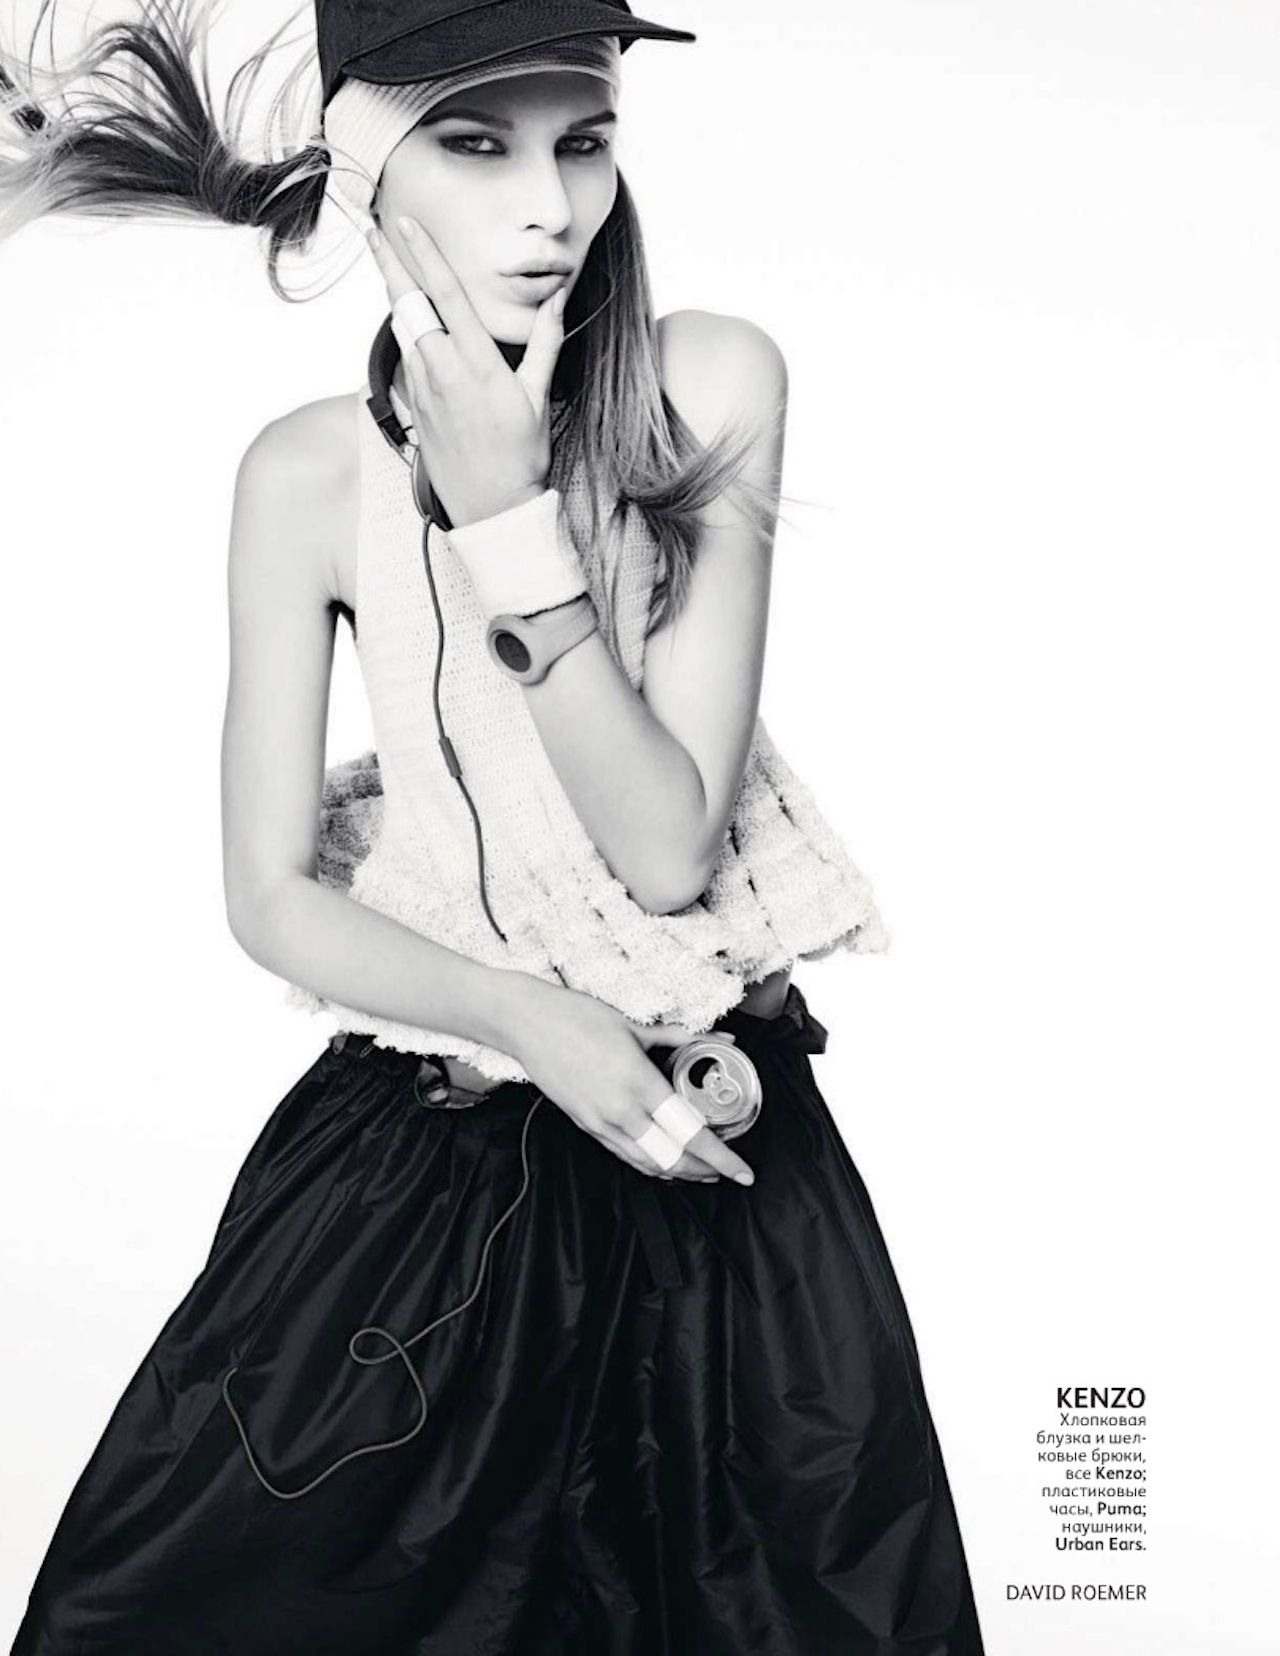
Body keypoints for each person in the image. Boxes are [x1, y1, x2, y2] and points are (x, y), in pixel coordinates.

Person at [2, 2, 986, 1650]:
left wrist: (511, 517)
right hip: (423, 1181)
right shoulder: (302, 480)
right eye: (477, 145)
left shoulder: (710, 382)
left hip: (716, 1165)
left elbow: (666, 850)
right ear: (370, 170)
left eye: (583, 142)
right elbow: (270, 895)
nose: (550, 205)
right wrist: (531, 1019)